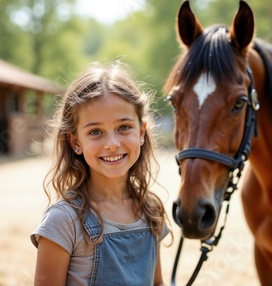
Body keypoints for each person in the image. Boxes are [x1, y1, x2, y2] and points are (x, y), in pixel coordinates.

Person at [31, 61, 171, 286]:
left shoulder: (150, 210)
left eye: (124, 127)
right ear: (75, 142)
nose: (112, 143)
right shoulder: (63, 221)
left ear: (141, 132)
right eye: (96, 132)